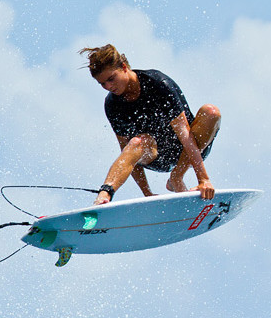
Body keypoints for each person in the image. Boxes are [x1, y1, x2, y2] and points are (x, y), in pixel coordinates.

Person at [79, 44, 220, 204]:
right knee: (137, 142)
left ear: (124, 67)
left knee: (211, 112)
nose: (108, 87)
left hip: (192, 147)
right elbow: (127, 153)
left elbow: (185, 134)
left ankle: (176, 177)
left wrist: (203, 179)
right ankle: (105, 194)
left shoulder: (158, 84)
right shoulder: (113, 104)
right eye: (102, 84)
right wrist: (147, 193)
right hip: (157, 157)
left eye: (111, 79)